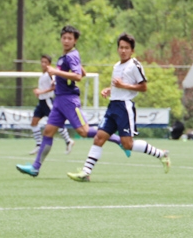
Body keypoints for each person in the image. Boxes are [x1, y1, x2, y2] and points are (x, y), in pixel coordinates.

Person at [16, 25, 123, 178]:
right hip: (59, 100)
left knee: (84, 131)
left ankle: (117, 139)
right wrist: (74, 69)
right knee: (48, 131)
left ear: (75, 41)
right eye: (64, 38)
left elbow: (78, 77)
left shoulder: (71, 55)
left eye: (70, 39)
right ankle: (35, 167)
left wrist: (55, 71)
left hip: (69, 100)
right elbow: (82, 72)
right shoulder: (66, 56)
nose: (66, 41)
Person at [67, 33, 170, 181]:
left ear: (132, 50)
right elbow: (118, 85)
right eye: (121, 47)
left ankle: (161, 154)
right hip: (112, 106)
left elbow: (143, 87)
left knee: (127, 144)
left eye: (126, 48)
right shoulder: (117, 65)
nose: (123, 50)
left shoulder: (135, 65)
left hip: (124, 107)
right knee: (99, 138)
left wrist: (123, 86)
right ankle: (85, 173)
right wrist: (110, 90)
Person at [29, 54, 74, 155]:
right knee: (33, 122)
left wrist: (41, 92)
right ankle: (39, 144)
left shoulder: (50, 74)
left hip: (47, 101)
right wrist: (39, 93)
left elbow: (55, 87)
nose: (43, 64)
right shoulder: (43, 75)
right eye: (42, 62)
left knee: (56, 122)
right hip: (41, 102)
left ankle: (68, 141)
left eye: (46, 62)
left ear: (49, 64)